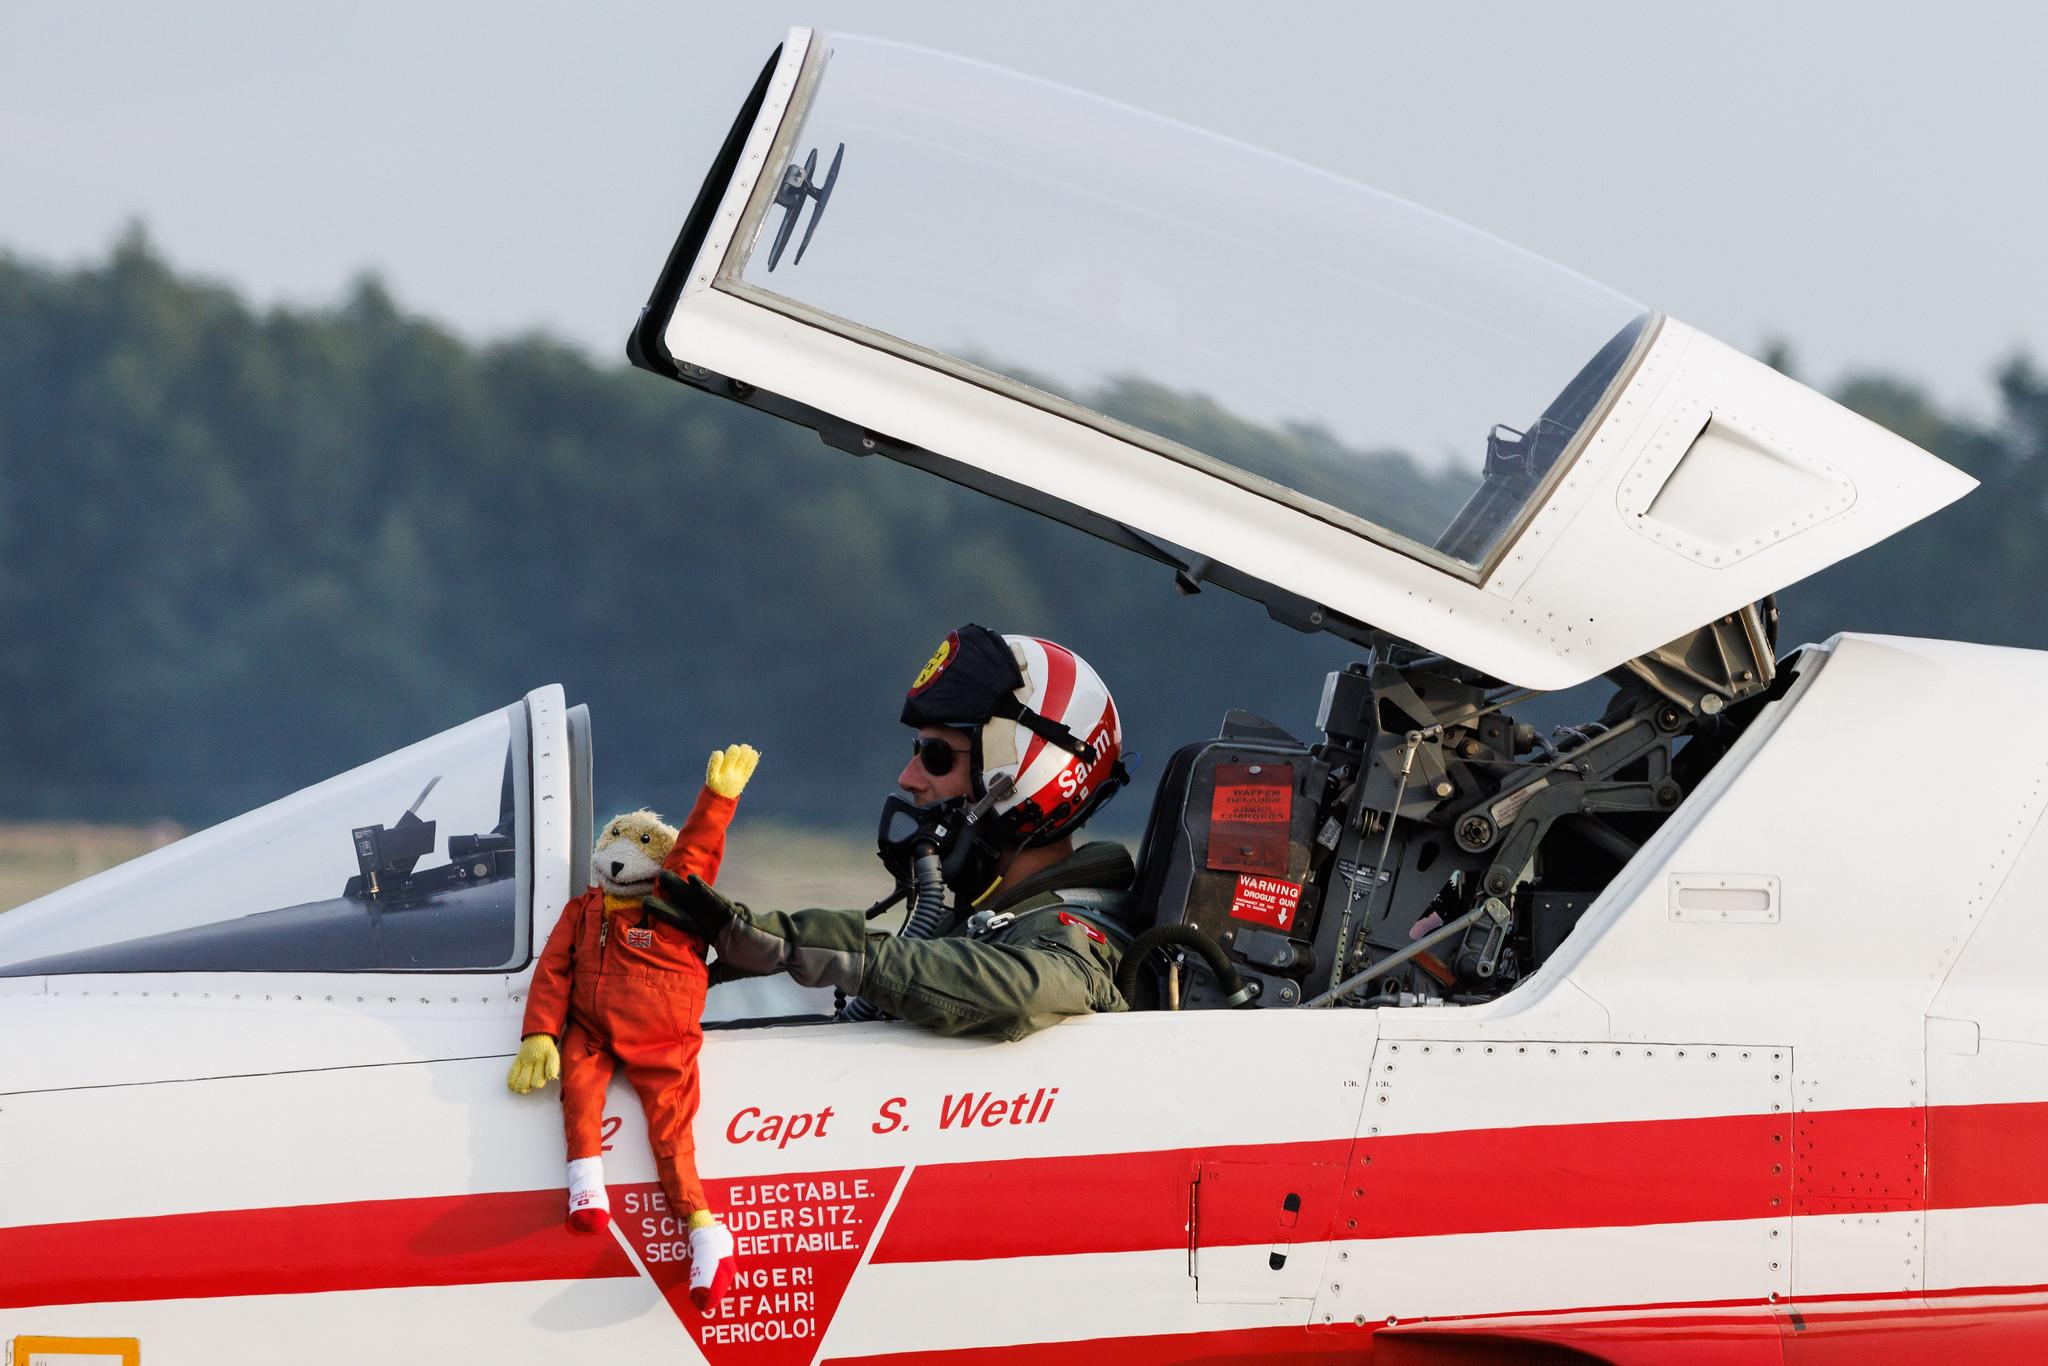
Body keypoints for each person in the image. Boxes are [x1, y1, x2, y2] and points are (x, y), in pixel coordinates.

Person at [648, 625, 1134, 1041]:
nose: (909, 777)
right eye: (917, 750)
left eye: (938, 757)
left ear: (1024, 779)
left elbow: (1027, 991)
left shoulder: (1078, 933)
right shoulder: (988, 921)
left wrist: (811, 945)